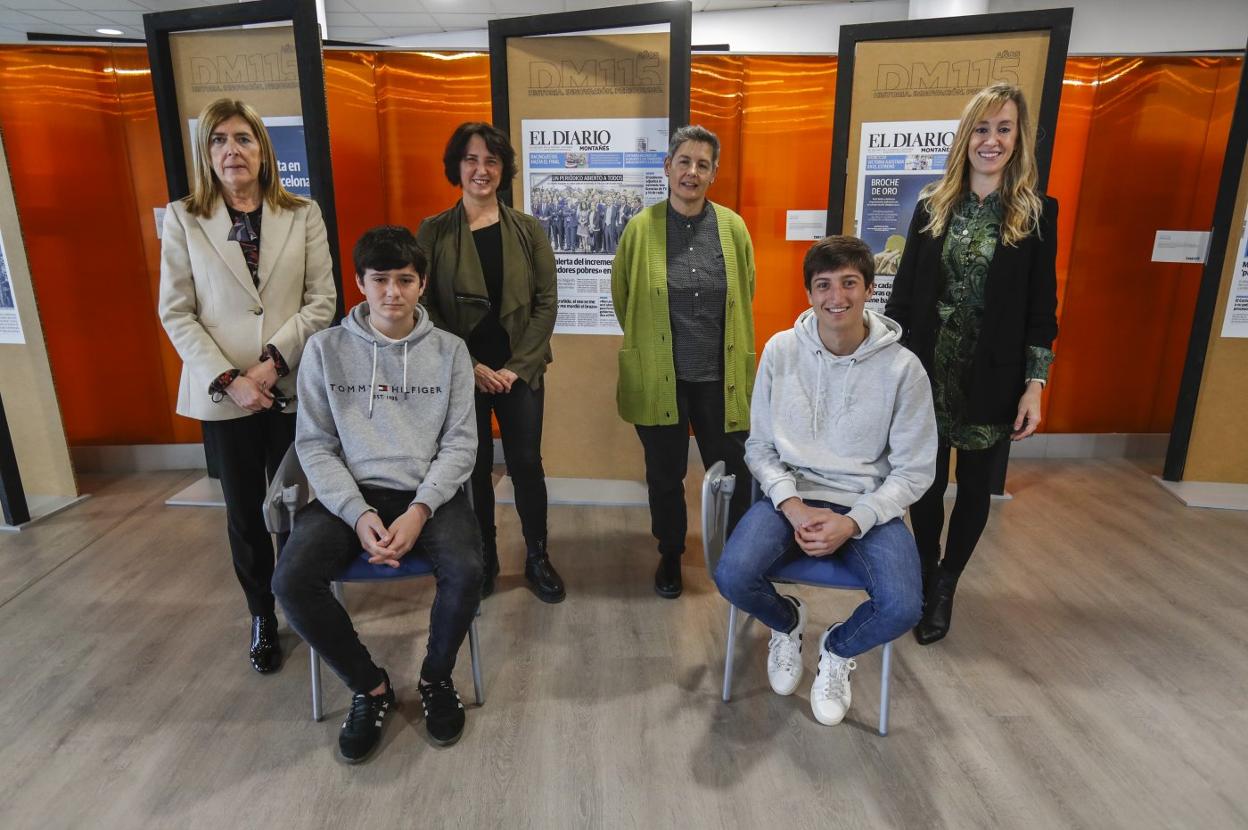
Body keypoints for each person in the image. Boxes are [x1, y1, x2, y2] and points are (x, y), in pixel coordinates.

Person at [272, 226, 482, 761]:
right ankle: (371, 687)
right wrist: (358, 512)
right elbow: (314, 446)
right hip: (350, 494)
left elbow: (460, 445)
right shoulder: (324, 350)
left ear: (422, 284)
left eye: (405, 280)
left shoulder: (452, 352)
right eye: (380, 280)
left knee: (467, 571)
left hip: (428, 495)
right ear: (359, 284)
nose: (393, 292)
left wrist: (418, 510)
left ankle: (435, 679)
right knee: (291, 581)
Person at [714, 236, 936, 726]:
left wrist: (853, 522)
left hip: (867, 502)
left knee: (903, 606)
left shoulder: (904, 369)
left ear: (869, 289)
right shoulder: (781, 350)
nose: (837, 296)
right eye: (823, 285)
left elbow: (914, 470)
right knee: (731, 576)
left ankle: (836, 650)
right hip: (791, 495)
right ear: (810, 295)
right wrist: (792, 506)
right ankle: (788, 619)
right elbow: (761, 448)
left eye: (849, 283)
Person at [158, 98, 335, 674]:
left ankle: (303, 596)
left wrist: (268, 364)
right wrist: (232, 380)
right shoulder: (184, 217)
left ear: (263, 149)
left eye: (243, 139)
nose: (231, 151)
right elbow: (177, 312)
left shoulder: (302, 213)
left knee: (297, 506)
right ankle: (261, 612)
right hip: (224, 393)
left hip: (290, 384)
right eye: (218, 141)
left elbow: (321, 302)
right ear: (205, 153)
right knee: (244, 513)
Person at [885, 82, 1058, 645]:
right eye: (982, 129)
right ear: (966, 137)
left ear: (1018, 138)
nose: (992, 140)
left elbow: (1041, 309)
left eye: (1004, 129)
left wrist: (1035, 385)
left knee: (976, 489)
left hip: (994, 378)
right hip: (926, 373)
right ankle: (925, 570)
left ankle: (946, 585)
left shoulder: (1035, 214)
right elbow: (904, 297)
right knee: (926, 485)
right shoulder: (932, 206)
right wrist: (884, 367)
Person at [416, 122, 565, 603]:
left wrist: (517, 368)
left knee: (526, 464)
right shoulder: (434, 232)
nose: (482, 170)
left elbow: (546, 302)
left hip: (520, 371)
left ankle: (538, 555)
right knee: (472, 467)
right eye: (472, 160)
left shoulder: (529, 230)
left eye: (492, 161)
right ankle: (483, 555)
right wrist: (470, 365)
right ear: (456, 167)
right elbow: (428, 309)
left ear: (504, 170)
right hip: (463, 374)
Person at [611, 124, 756, 599]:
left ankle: (737, 555)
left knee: (733, 471)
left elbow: (745, 293)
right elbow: (624, 297)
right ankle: (670, 552)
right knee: (665, 473)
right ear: (667, 167)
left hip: (721, 378)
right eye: (684, 162)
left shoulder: (732, 228)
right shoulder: (640, 228)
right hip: (662, 379)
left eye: (703, 164)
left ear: (713, 174)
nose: (692, 172)